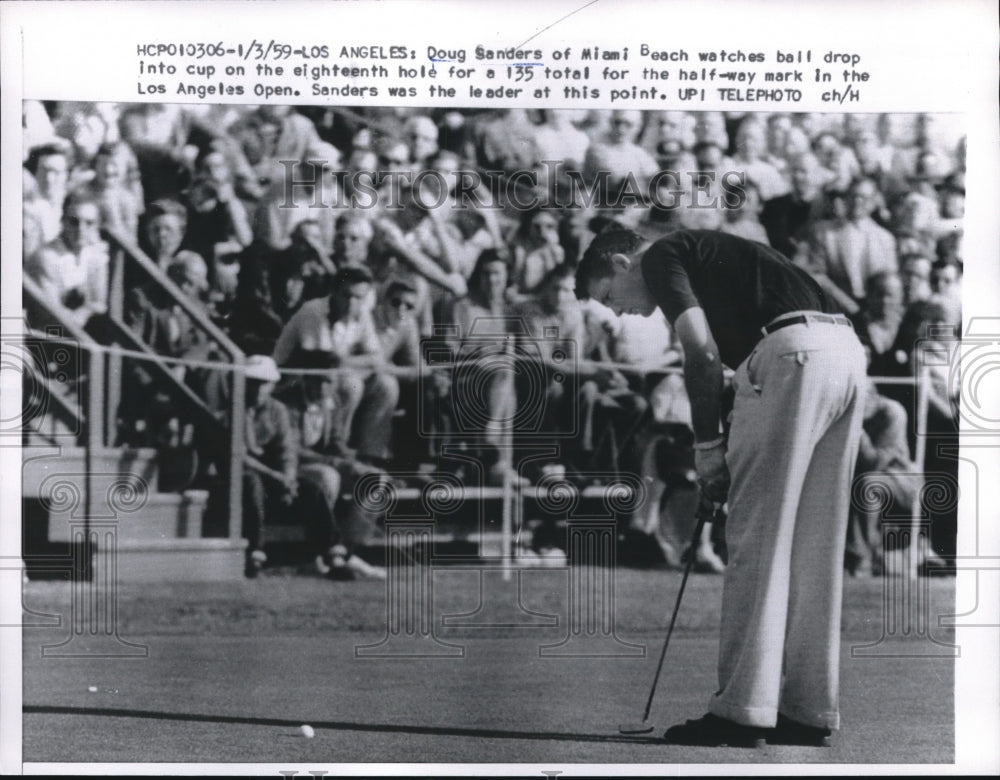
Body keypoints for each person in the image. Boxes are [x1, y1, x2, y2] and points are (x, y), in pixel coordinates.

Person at [585, 228, 867, 747]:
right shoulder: (713, 252)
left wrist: (708, 447)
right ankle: (809, 711)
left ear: (623, 262)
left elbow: (701, 352)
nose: (618, 312)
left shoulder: (660, 256)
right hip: (846, 354)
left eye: (608, 296)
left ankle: (742, 711)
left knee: (757, 539)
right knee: (815, 546)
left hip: (792, 355)